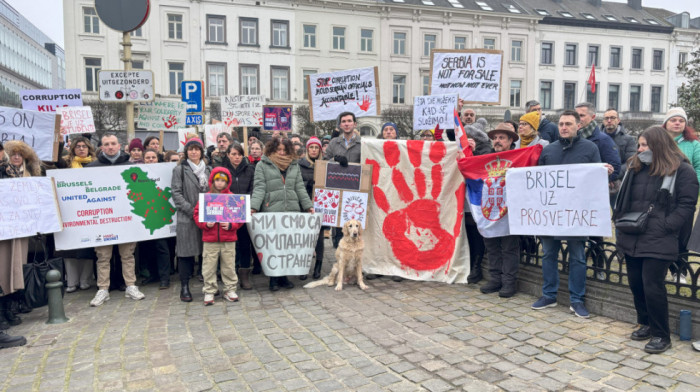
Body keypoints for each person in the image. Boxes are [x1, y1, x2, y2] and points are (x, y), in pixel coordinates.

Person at [613, 126, 698, 354]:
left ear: (658, 145)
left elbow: (687, 205)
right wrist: (620, 218)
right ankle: (646, 323)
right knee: (635, 283)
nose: (639, 149)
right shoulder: (636, 166)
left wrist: (666, 226)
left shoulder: (682, 170)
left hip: (660, 237)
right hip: (633, 233)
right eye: (638, 145)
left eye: (643, 145)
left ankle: (662, 334)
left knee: (653, 286)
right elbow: (625, 198)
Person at [532, 110, 601, 318]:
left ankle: (577, 299)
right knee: (549, 254)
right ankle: (549, 295)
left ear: (578, 126)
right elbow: (538, 181)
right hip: (551, 213)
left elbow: (595, 181)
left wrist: (603, 172)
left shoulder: (590, 148)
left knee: (578, 257)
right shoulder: (549, 150)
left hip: (576, 213)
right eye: (561, 124)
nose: (564, 127)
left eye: (569, 124)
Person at [86, 133, 145, 306]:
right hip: (103, 220)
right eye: (106, 144)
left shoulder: (131, 167)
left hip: (126, 220)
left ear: (119, 146)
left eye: (113, 144)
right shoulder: (91, 168)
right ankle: (103, 289)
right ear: (102, 147)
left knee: (127, 255)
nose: (110, 147)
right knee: (103, 256)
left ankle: (131, 286)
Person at [250, 138, 314, 291]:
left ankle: (284, 277)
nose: (282, 152)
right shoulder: (262, 165)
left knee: (287, 246)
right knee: (273, 247)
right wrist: (254, 207)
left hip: (291, 210)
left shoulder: (294, 165)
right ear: (272, 149)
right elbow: (259, 187)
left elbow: (299, 187)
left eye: (285, 150)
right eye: (278, 149)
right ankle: (274, 278)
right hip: (271, 210)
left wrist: (307, 206)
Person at [0, 140, 41, 330]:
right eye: (12, 153)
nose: (16, 157)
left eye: (20, 154)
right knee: (3, 267)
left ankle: (12, 304)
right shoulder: (4, 172)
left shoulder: (29, 175)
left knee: (17, 266)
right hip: (4, 228)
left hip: (20, 227)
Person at [478, 124, 523, 298]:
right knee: (492, 246)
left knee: (509, 248)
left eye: (501, 138)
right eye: (495, 138)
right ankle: (495, 279)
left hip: (508, 211)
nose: (497, 141)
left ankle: (509, 282)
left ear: (511, 140)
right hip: (490, 210)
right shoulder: (486, 157)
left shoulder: (518, 158)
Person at [193, 167, 244, 305]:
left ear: (227, 182)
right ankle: (209, 290)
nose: (220, 183)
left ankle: (229, 289)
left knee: (228, 265)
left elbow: (239, 218)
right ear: (212, 181)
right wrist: (205, 225)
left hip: (229, 238)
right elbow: (197, 214)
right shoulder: (206, 198)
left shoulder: (232, 197)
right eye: (217, 180)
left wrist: (231, 225)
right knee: (209, 266)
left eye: (223, 180)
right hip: (210, 239)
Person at [663, 107, 700, 284]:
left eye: (681, 120)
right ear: (666, 123)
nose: (677, 123)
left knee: (683, 234)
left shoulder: (693, 145)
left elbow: (699, 168)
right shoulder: (659, 141)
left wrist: (691, 186)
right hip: (661, 194)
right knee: (662, 232)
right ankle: (662, 267)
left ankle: (680, 271)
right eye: (673, 120)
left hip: (684, 196)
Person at [172, 136, 211, 302]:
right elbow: (176, 193)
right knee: (186, 254)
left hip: (207, 216)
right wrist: (191, 210)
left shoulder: (208, 170)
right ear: (186, 152)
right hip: (187, 217)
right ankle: (185, 286)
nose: (194, 152)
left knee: (207, 253)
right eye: (190, 149)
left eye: (197, 149)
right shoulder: (180, 170)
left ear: (201, 152)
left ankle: (208, 285)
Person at [62, 137, 97, 293]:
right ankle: (71, 281)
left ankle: (85, 280)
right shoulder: (66, 164)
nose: (81, 149)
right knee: (70, 248)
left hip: (91, 210)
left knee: (88, 247)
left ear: (89, 148)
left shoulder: (95, 164)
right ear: (73, 149)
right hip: (70, 209)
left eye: (84, 146)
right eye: (78, 147)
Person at [324, 112, 361, 248]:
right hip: (337, 187)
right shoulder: (334, 143)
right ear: (340, 125)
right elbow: (324, 161)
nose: (346, 124)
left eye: (349, 121)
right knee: (339, 230)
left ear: (354, 124)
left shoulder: (362, 143)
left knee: (354, 225)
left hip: (355, 191)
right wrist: (335, 160)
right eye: (344, 121)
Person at [222, 143, 256, 290]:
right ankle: (229, 274)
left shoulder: (250, 170)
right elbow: (218, 187)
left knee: (244, 243)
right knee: (228, 244)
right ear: (228, 154)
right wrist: (230, 200)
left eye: (239, 154)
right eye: (234, 154)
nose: (237, 157)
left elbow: (254, 188)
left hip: (243, 210)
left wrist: (242, 202)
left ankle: (244, 274)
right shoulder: (223, 170)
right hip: (226, 210)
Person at [137, 149, 172, 289]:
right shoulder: (138, 172)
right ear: (143, 159)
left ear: (158, 159)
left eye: (153, 157)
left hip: (160, 214)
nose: (151, 160)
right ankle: (153, 274)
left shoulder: (164, 171)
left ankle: (165, 278)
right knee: (147, 248)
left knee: (161, 247)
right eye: (148, 157)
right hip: (144, 214)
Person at [298, 137, 326, 280]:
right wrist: (307, 183)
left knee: (319, 238)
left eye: (316, 147)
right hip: (305, 205)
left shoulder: (325, 164)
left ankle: (318, 266)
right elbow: (296, 183)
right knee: (305, 237)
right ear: (307, 149)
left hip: (321, 205)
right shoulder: (300, 165)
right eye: (311, 147)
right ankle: (304, 266)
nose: (314, 150)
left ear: (320, 150)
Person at [603, 108, 636, 204]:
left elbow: (631, 162)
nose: (609, 121)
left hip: (620, 184)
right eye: (606, 118)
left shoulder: (629, 140)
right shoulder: (597, 139)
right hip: (600, 182)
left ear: (618, 120)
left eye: (612, 118)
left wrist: (613, 176)